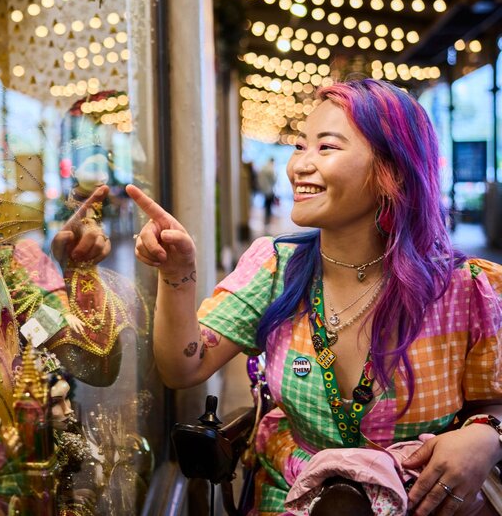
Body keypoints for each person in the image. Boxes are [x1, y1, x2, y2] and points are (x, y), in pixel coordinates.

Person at [127, 78, 502, 516]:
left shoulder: (466, 288)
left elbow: (491, 403)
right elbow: (183, 366)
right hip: (287, 499)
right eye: (299, 146)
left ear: (392, 171)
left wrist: (487, 436)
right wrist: (177, 275)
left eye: (325, 147)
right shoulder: (275, 267)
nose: (299, 166)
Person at [257, 157, 277, 228]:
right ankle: (267, 220)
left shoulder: (263, 168)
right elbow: (274, 180)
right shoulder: (270, 168)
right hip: (269, 190)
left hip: (264, 189)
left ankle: (266, 220)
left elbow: (259, 179)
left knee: (267, 205)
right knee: (269, 206)